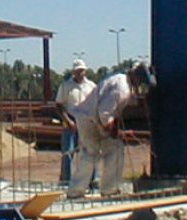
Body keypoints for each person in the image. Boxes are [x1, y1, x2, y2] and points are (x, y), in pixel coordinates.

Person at [66, 62, 155, 198]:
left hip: (94, 117)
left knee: (115, 149)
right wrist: (118, 133)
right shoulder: (122, 89)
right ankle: (76, 192)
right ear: (137, 78)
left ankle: (108, 189)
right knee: (90, 152)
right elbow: (104, 114)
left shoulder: (122, 81)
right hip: (89, 119)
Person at [54, 59, 97, 182]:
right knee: (68, 152)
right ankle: (66, 180)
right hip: (71, 122)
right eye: (77, 71)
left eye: (82, 70)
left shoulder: (91, 86)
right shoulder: (66, 86)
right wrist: (68, 121)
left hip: (87, 121)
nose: (80, 73)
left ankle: (91, 180)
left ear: (85, 71)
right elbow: (58, 105)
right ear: (74, 72)